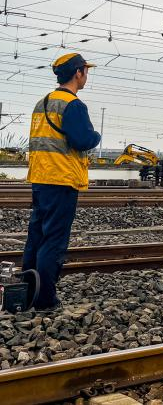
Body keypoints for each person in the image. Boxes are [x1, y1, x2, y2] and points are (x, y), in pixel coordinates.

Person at [23, 53, 102, 310]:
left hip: (40, 177)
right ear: (78, 73)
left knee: (36, 236)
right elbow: (82, 140)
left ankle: (27, 293)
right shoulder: (73, 105)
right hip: (62, 178)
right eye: (85, 71)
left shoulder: (43, 102)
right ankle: (45, 299)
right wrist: (96, 136)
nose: (86, 76)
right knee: (54, 240)